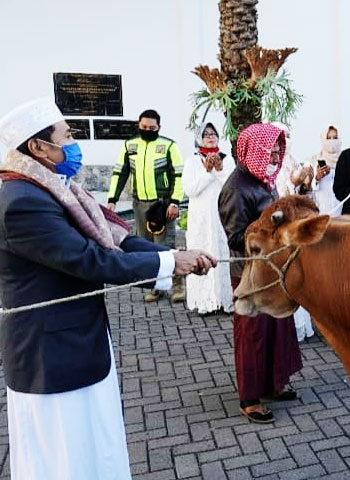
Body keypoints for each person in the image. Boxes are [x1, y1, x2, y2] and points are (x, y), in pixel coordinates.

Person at [0, 97, 216, 480]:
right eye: (65, 137)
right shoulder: (22, 201)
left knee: (95, 450)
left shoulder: (57, 188)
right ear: (37, 148)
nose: (72, 145)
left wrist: (173, 255)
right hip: (51, 360)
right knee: (64, 461)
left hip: (76, 347)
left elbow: (114, 241)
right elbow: (90, 260)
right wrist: (169, 263)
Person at [218, 123, 302, 424]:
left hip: (271, 270)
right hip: (250, 275)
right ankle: (250, 397)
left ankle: (273, 385)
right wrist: (272, 224)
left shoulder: (263, 178)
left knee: (275, 328)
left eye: (279, 147)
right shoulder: (236, 187)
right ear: (253, 148)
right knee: (252, 334)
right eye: (272, 147)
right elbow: (236, 237)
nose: (277, 153)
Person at [106, 109, 186, 303]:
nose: (148, 130)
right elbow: (120, 173)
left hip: (162, 205)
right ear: (138, 125)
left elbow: (178, 176)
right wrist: (112, 199)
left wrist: (175, 202)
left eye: (152, 128)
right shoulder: (130, 146)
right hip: (139, 204)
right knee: (145, 247)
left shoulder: (168, 146)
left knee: (165, 246)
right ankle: (157, 287)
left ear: (159, 127)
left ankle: (177, 286)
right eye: (144, 127)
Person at [182, 122, 235, 315]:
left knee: (223, 253)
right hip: (201, 218)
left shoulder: (227, 160)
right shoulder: (192, 161)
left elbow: (230, 187)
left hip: (222, 215)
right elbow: (190, 189)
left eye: (214, 134)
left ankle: (226, 300)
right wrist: (207, 171)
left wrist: (218, 170)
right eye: (206, 134)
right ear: (199, 138)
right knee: (203, 253)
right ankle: (205, 302)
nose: (210, 137)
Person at [308, 125, 342, 215]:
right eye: (328, 138)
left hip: (341, 212)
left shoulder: (344, 160)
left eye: (335, 138)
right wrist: (317, 178)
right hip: (322, 211)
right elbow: (309, 189)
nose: (332, 141)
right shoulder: (315, 160)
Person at [273, 122, 314, 197]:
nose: (286, 139)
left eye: (288, 136)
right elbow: (276, 197)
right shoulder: (271, 164)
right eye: (282, 136)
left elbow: (305, 198)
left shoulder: (293, 161)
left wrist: (306, 185)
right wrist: (293, 183)